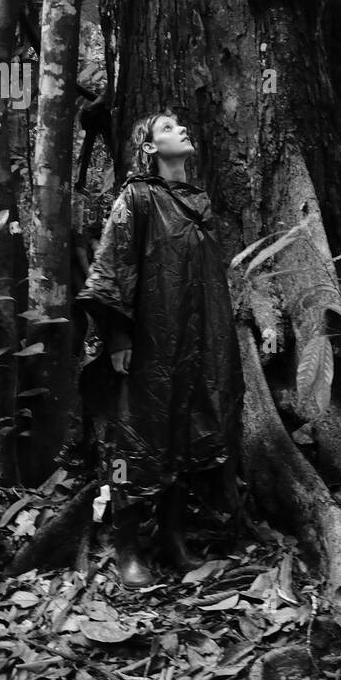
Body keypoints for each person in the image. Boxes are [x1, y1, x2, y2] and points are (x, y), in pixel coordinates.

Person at [78, 110, 240, 587]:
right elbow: (113, 263)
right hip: (149, 341)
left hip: (197, 343)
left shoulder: (200, 203)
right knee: (136, 436)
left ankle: (174, 540)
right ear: (149, 149)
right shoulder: (137, 197)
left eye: (179, 125)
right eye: (167, 129)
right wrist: (119, 337)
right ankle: (127, 549)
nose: (182, 129)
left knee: (186, 432)